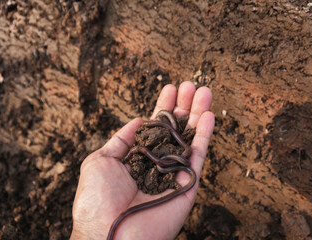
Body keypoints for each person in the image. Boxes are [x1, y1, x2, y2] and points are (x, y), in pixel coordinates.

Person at [70, 81, 215, 239]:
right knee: (167, 164)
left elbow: (171, 160)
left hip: (171, 157)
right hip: (170, 158)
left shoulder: (161, 157)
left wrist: (89, 234)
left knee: (167, 164)